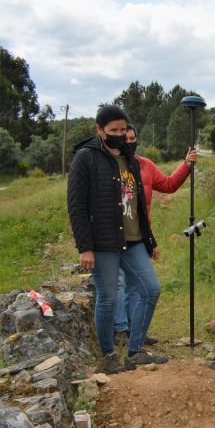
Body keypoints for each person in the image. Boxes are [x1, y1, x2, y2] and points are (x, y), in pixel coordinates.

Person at [67, 105, 165, 374]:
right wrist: (85, 247)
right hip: (103, 243)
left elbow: (139, 204)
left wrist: (150, 240)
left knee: (150, 288)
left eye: (123, 130)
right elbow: (76, 206)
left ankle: (135, 351)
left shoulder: (129, 158)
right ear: (99, 130)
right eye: (114, 131)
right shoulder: (85, 158)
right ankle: (109, 355)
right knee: (108, 298)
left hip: (133, 240)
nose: (120, 135)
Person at [113, 124, 198, 346]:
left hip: (139, 236)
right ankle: (120, 330)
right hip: (113, 236)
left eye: (133, 138)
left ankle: (134, 330)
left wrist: (186, 166)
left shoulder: (146, 165)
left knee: (137, 286)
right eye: (126, 138)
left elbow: (168, 185)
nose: (130, 142)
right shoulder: (109, 164)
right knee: (119, 284)